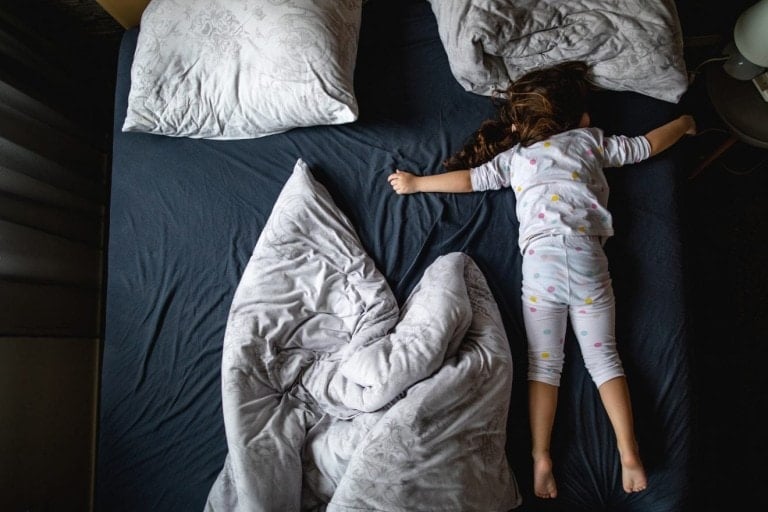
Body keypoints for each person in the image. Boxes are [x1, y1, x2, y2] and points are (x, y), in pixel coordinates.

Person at [387, 61, 696, 500]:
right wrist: (683, 124)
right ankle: (629, 452)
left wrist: (418, 183)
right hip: (588, 262)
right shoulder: (591, 142)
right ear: (579, 119)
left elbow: (471, 180)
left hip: (541, 269)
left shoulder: (517, 159)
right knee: (605, 360)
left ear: (523, 126)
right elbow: (647, 146)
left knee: (544, 367)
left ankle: (541, 457)